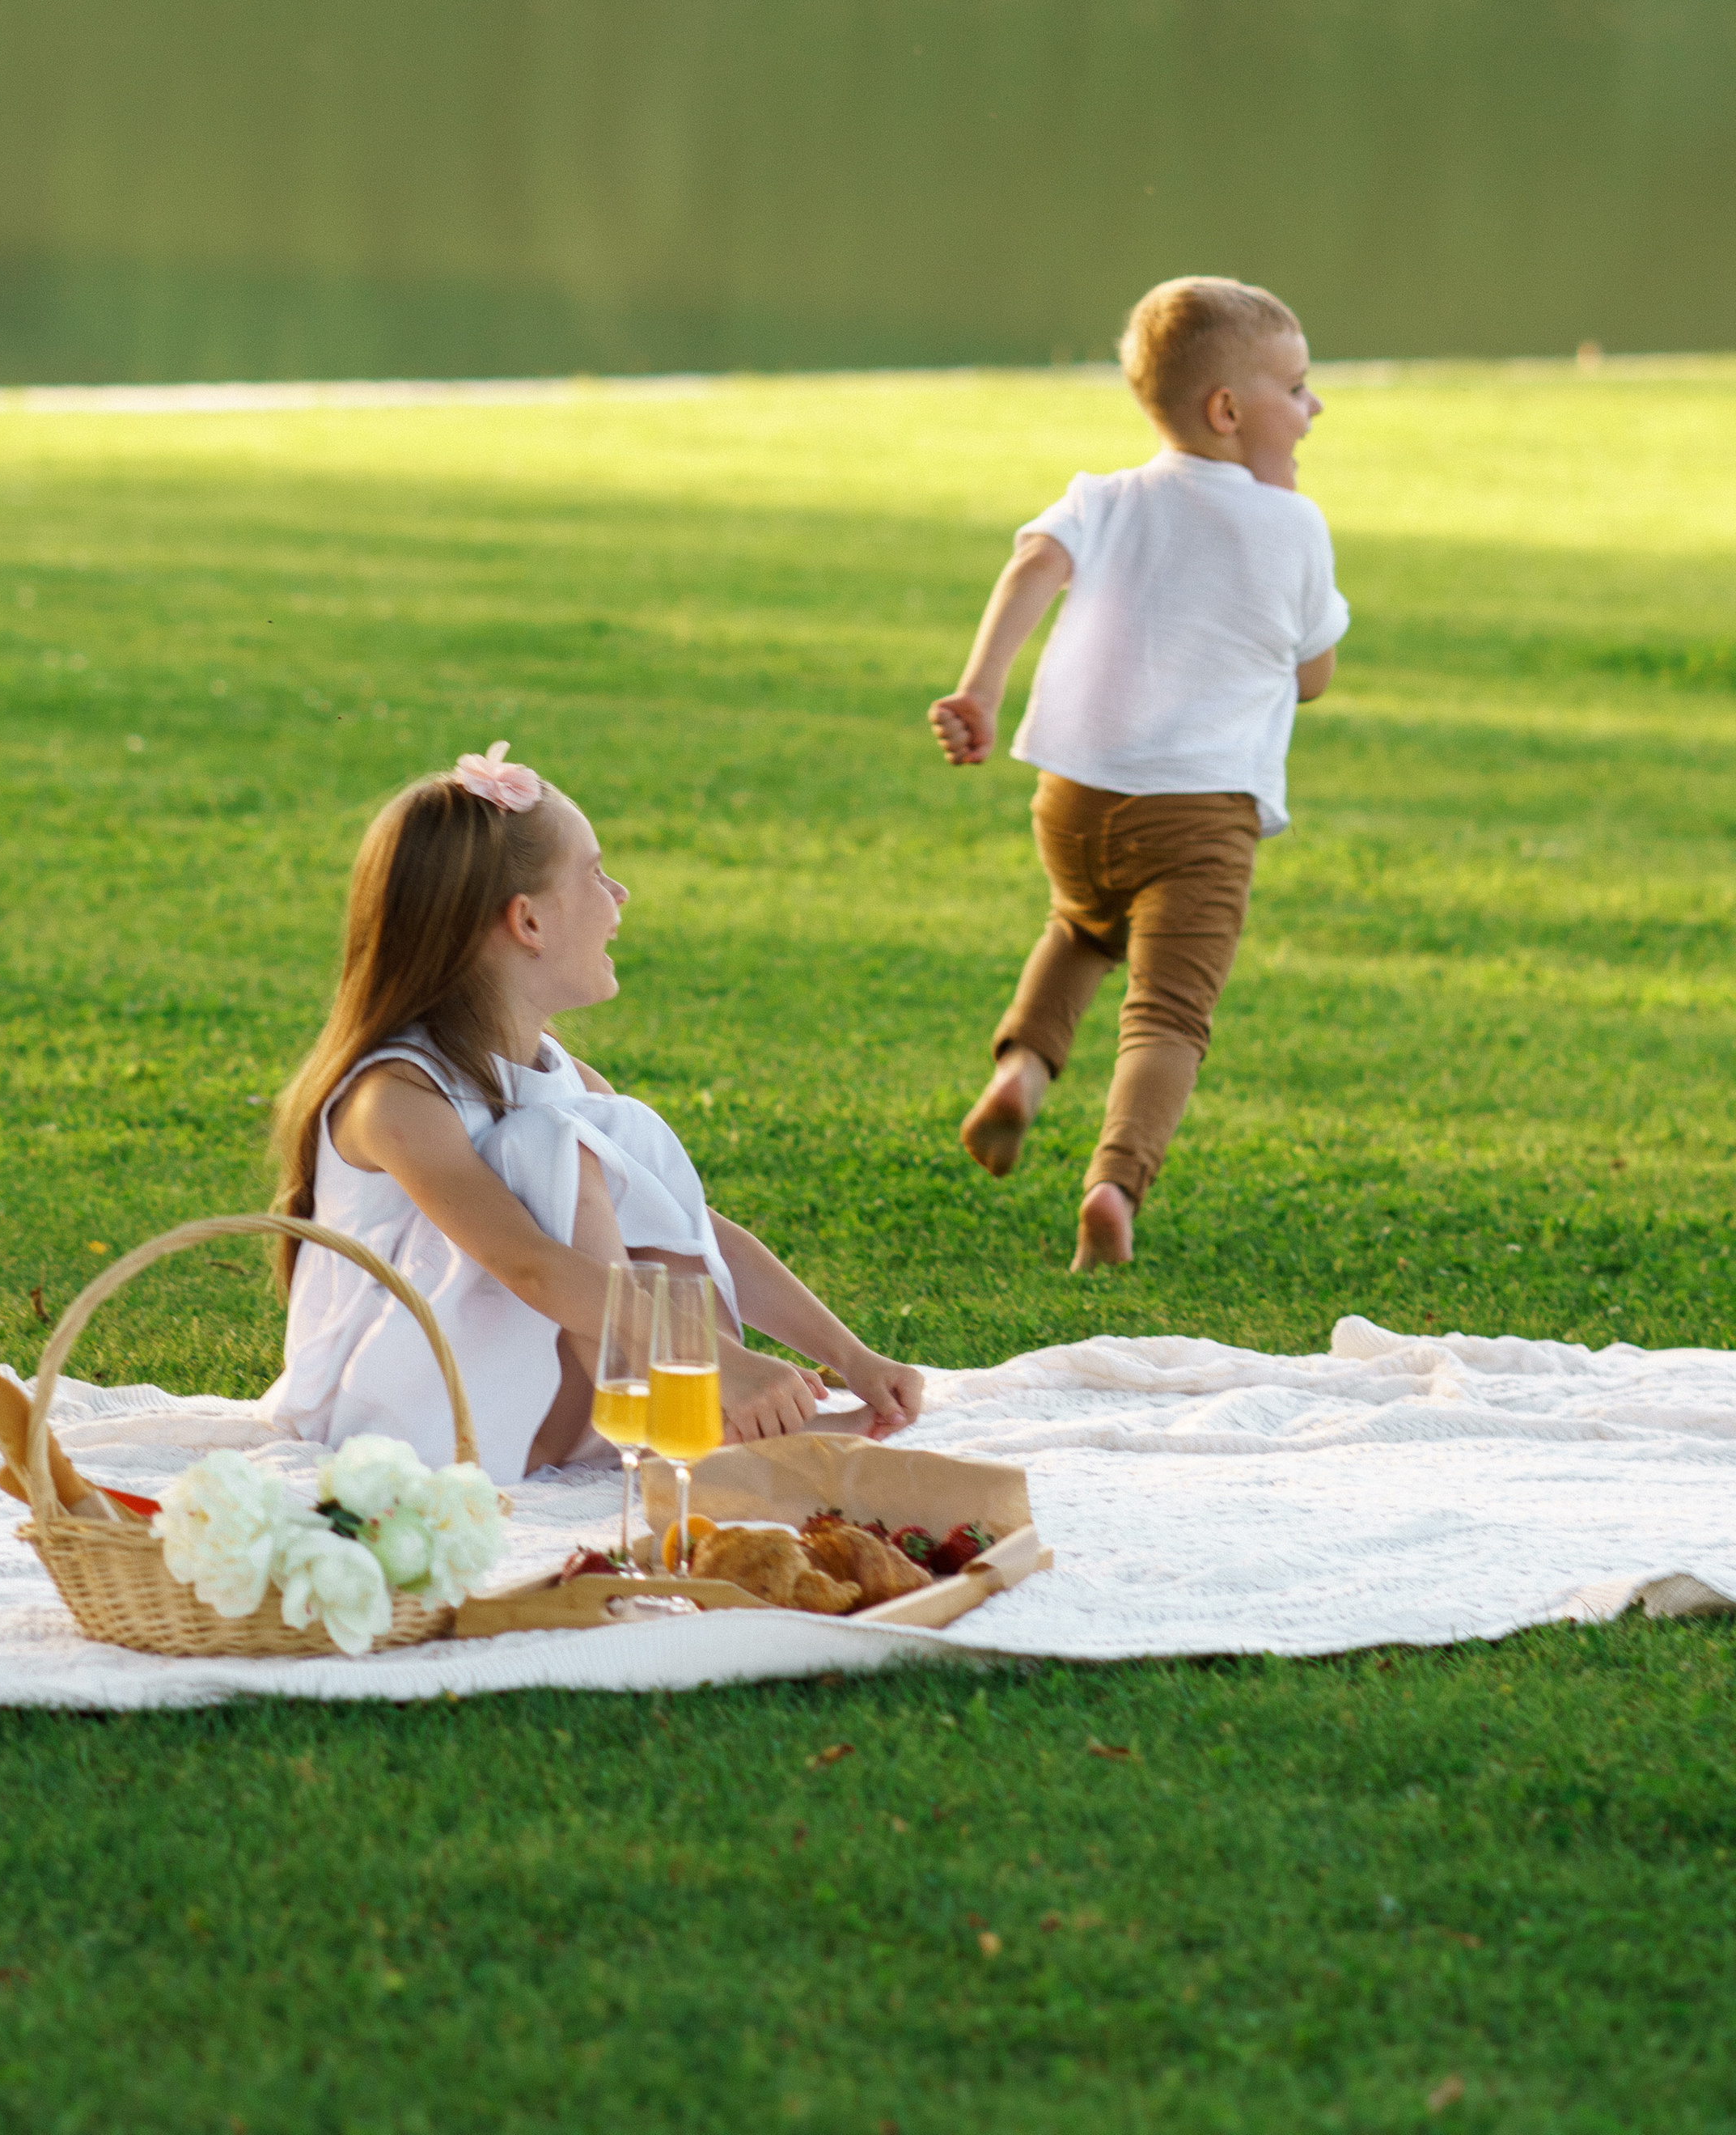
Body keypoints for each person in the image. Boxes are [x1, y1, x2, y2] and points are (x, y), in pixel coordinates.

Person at [262, 745, 923, 1485]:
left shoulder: (565, 1077)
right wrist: (715, 1360)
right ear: (529, 923)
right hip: (399, 1419)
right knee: (555, 1143)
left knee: (616, 1133)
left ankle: (701, 1421)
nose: (621, 895)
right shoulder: (397, 1099)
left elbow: (698, 1229)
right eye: (597, 874)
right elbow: (532, 1268)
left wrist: (851, 1355)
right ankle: (703, 1406)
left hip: (521, 1401)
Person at [928, 277, 1349, 1271]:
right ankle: (1114, 1184)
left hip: (1074, 797)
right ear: (1229, 411)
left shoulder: (1103, 498)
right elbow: (1316, 677)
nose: (1315, 406)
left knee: (1080, 927)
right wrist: (1279, 536)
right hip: (1201, 815)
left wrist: (981, 690)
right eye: (1297, 387)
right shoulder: (1294, 526)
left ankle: (1025, 1073)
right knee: (1167, 1013)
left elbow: (1031, 564)